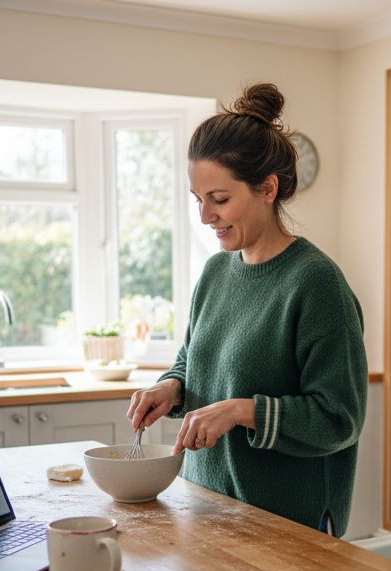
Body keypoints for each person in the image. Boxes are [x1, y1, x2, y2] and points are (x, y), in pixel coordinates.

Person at [127, 82, 367, 537]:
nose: (205, 216)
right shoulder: (216, 272)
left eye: (219, 200)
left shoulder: (317, 284)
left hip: (286, 525)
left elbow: (340, 419)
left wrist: (241, 412)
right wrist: (171, 388)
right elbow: (192, 360)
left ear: (267, 189)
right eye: (198, 200)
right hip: (207, 507)